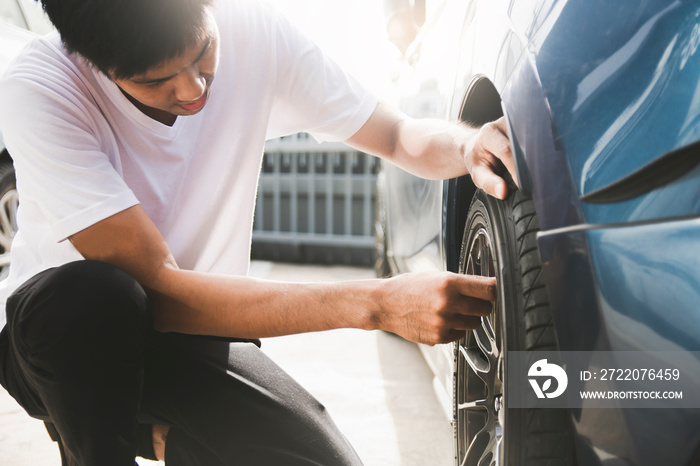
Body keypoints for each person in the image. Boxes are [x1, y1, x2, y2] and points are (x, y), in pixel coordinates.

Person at [0, 0, 516, 464]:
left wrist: (467, 146)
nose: (193, 89)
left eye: (201, 52)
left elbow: (399, 135)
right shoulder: (42, 86)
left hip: (200, 329)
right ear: (91, 62)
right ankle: (88, 432)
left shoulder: (254, 28)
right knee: (97, 298)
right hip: (63, 339)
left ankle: (156, 437)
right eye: (155, 81)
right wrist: (378, 304)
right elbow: (157, 288)